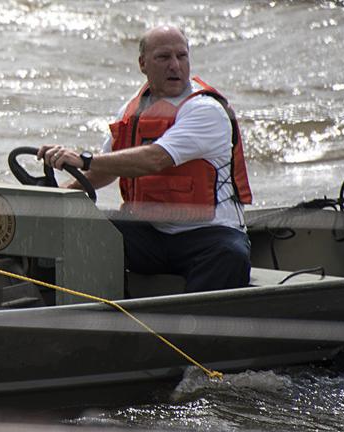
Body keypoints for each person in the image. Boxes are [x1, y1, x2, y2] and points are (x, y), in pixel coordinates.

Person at [38, 25, 253, 293]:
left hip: (208, 235)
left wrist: (83, 159)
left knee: (230, 255)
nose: (175, 65)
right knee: (80, 232)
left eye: (181, 56)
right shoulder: (132, 111)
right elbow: (110, 167)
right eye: (164, 57)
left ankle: (192, 331)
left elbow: (155, 159)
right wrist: (61, 195)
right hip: (149, 233)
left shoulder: (206, 110)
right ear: (143, 64)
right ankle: (105, 313)